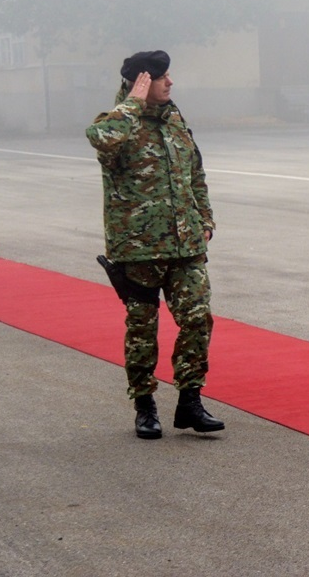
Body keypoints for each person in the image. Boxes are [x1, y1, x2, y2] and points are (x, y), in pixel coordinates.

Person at [86, 50, 225, 440]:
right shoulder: (117, 124)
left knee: (198, 319)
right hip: (139, 248)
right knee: (143, 329)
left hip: (186, 244)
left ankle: (190, 401)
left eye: (168, 75)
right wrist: (132, 103)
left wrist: (206, 220)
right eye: (162, 77)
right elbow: (100, 139)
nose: (170, 82)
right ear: (141, 82)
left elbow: (195, 173)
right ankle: (145, 407)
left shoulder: (175, 121)